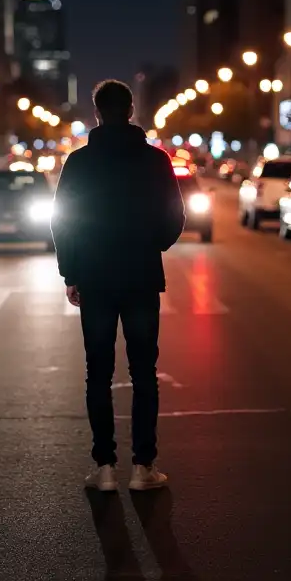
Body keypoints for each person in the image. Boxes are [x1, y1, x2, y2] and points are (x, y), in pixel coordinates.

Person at [51, 79, 185, 492]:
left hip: (95, 277)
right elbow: (174, 216)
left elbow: (63, 220)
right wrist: (152, 244)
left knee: (98, 373)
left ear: (96, 113)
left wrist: (71, 272)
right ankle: (143, 467)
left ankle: (104, 465)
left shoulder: (79, 162)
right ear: (131, 111)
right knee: (144, 372)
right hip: (142, 275)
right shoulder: (156, 161)